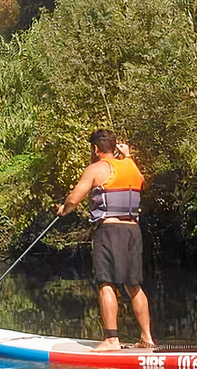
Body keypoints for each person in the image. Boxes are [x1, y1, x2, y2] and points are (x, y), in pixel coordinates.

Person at [56, 129, 155, 351]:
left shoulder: (96, 168)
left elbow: (75, 197)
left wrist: (64, 209)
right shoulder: (131, 166)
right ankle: (147, 337)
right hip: (133, 231)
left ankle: (112, 340)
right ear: (114, 146)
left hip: (110, 231)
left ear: (95, 149)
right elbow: (140, 181)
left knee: (106, 282)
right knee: (134, 284)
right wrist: (128, 156)